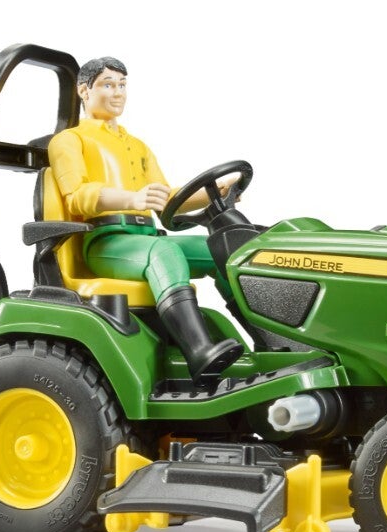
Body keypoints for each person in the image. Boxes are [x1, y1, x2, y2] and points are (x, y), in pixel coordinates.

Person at [47, 56, 244, 379]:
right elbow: (78, 195)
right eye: (108, 85)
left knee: (223, 247)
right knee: (164, 253)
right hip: (106, 242)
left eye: (122, 85)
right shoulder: (70, 141)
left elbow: (166, 199)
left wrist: (216, 192)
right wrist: (132, 198)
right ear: (84, 90)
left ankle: (273, 340)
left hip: (146, 238)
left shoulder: (137, 146)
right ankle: (199, 351)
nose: (117, 93)